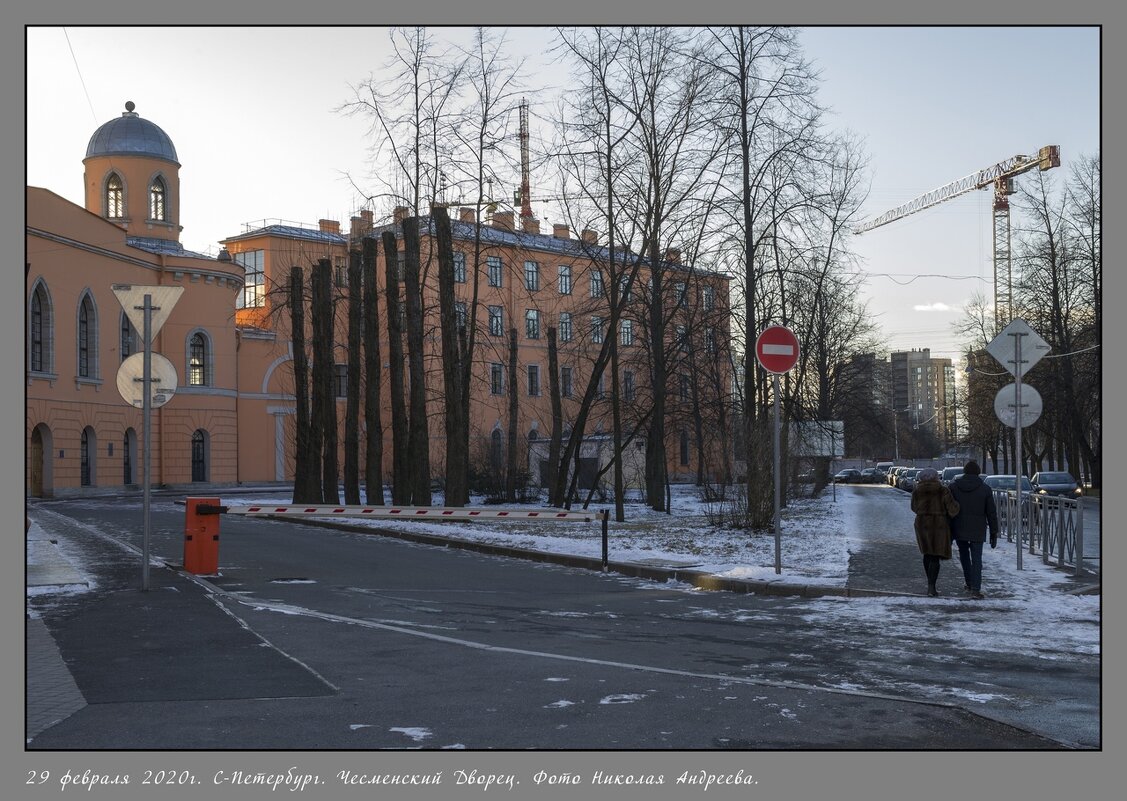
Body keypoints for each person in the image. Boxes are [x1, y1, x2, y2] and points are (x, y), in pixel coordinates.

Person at [947, 460, 1000, 599]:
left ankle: (969, 582)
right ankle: (976, 588)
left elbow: (948, 509)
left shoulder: (953, 487)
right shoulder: (985, 489)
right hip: (978, 529)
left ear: (964, 471)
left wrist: (948, 529)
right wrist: (994, 532)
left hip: (959, 527)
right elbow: (991, 513)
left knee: (964, 555)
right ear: (978, 472)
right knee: (977, 559)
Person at [910, 467, 960, 597]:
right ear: (935, 477)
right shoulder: (942, 490)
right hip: (939, 525)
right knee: (935, 555)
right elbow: (953, 510)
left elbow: (914, 507)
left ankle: (930, 585)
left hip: (922, 524)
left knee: (927, 554)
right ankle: (931, 587)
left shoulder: (917, 491)